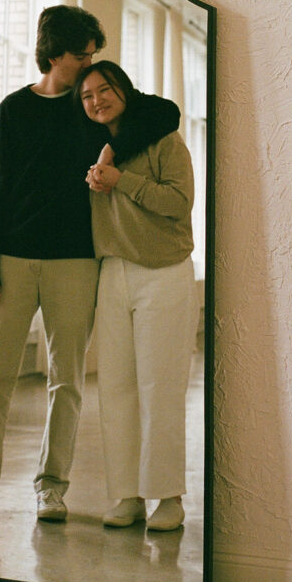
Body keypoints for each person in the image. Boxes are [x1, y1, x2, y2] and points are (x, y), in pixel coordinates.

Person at [0, 4, 108, 523]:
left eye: (93, 54)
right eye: (80, 54)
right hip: (11, 259)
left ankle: (52, 487)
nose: (88, 63)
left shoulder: (92, 109)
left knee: (66, 380)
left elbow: (160, 113)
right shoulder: (12, 110)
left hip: (75, 262)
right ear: (54, 53)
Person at [76, 60, 199, 532]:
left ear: (123, 89)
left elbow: (178, 202)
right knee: (117, 389)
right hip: (113, 271)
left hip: (164, 271)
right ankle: (125, 494)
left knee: (160, 387)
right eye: (87, 96)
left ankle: (168, 497)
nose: (97, 101)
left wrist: (121, 180)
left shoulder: (163, 138)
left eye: (104, 90)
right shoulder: (93, 146)